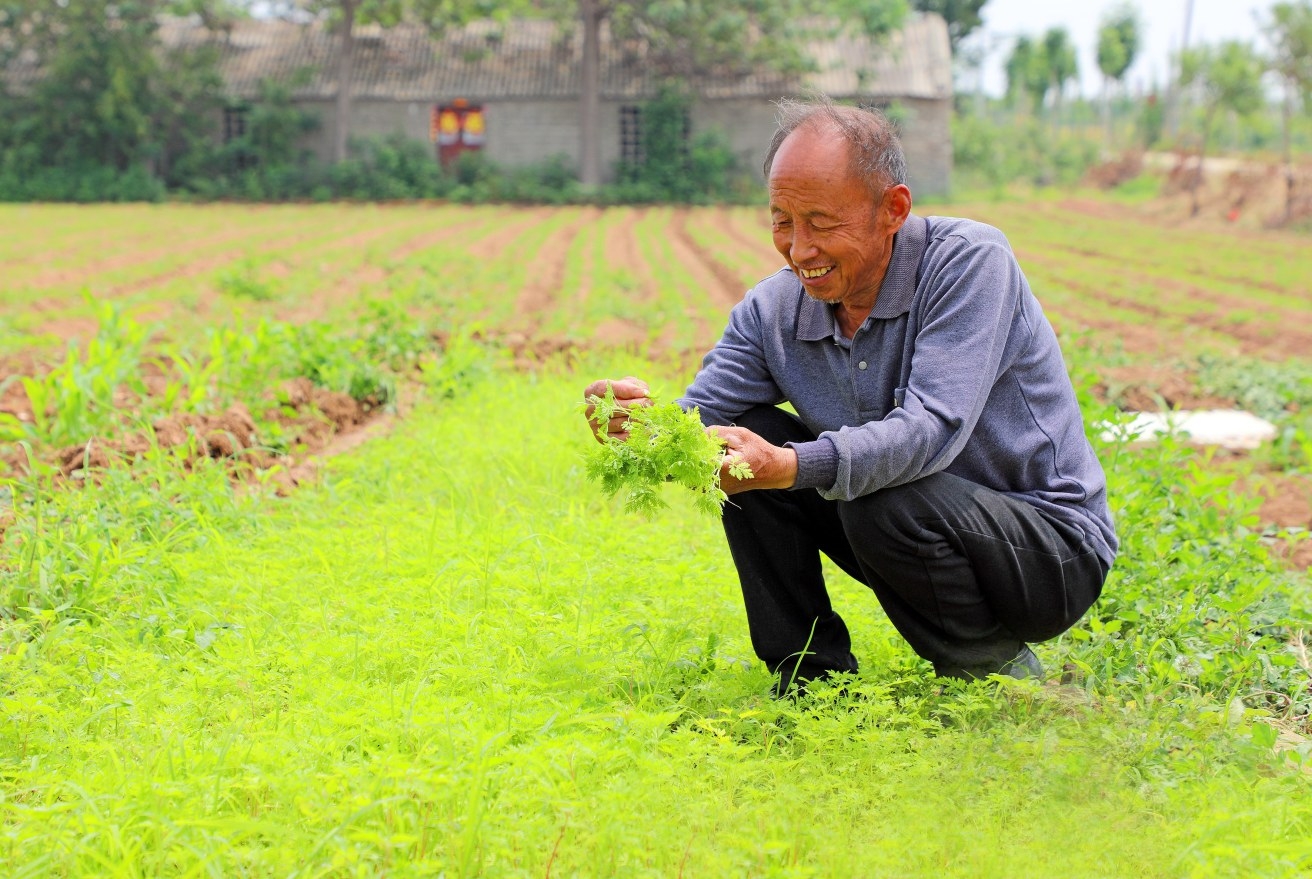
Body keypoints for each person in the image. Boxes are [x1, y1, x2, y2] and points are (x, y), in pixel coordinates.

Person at [584, 97, 1116, 694]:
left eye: (821, 221)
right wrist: (645, 429)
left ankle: (1002, 681)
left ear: (893, 209)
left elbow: (929, 430)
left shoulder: (967, 263)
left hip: (1047, 551)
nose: (799, 248)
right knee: (736, 437)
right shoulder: (773, 310)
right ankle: (811, 683)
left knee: (871, 491)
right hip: (908, 532)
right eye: (782, 220)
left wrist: (788, 465)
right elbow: (703, 411)